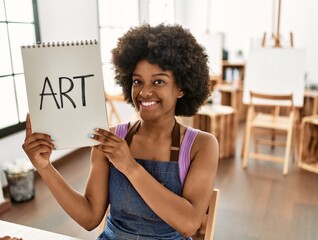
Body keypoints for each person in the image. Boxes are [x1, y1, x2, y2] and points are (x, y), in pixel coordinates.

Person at [22, 23, 219, 240]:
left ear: (181, 88)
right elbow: (89, 218)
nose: (144, 92)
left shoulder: (201, 145)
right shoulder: (109, 138)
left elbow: (189, 224)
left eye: (159, 81)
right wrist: (45, 168)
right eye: (137, 81)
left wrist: (130, 166)